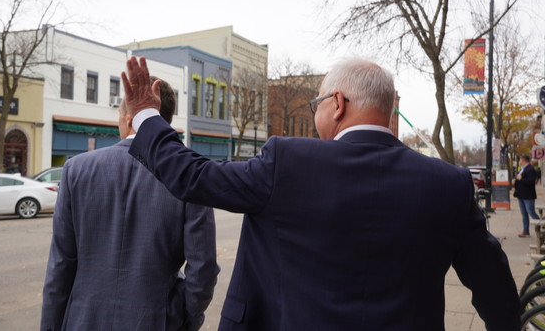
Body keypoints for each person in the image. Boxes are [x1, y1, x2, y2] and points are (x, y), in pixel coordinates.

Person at [122, 56, 520, 331]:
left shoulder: (288, 162)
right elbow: (495, 285)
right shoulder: (448, 184)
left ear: (338, 103)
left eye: (316, 104)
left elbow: (194, 176)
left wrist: (144, 115)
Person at [40, 77, 219, 331]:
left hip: (84, 321)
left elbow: (60, 266)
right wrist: (183, 318)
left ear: (126, 118)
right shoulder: (189, 175)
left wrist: (51, 326)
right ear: (166, 120)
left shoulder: (76, 170)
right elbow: (203, 269)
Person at [513, 154, 540, 237]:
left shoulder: (530, 169)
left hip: (528, 195)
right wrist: (516, 181)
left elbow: (531, 182)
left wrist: (521, 179)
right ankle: (526, 231)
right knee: (524, 213)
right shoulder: (522, 169)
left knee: (531, 212)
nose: (519, 161)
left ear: (524, 160)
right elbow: (520, 179)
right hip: (521, 195)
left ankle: (542, 226)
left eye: (520, 159)